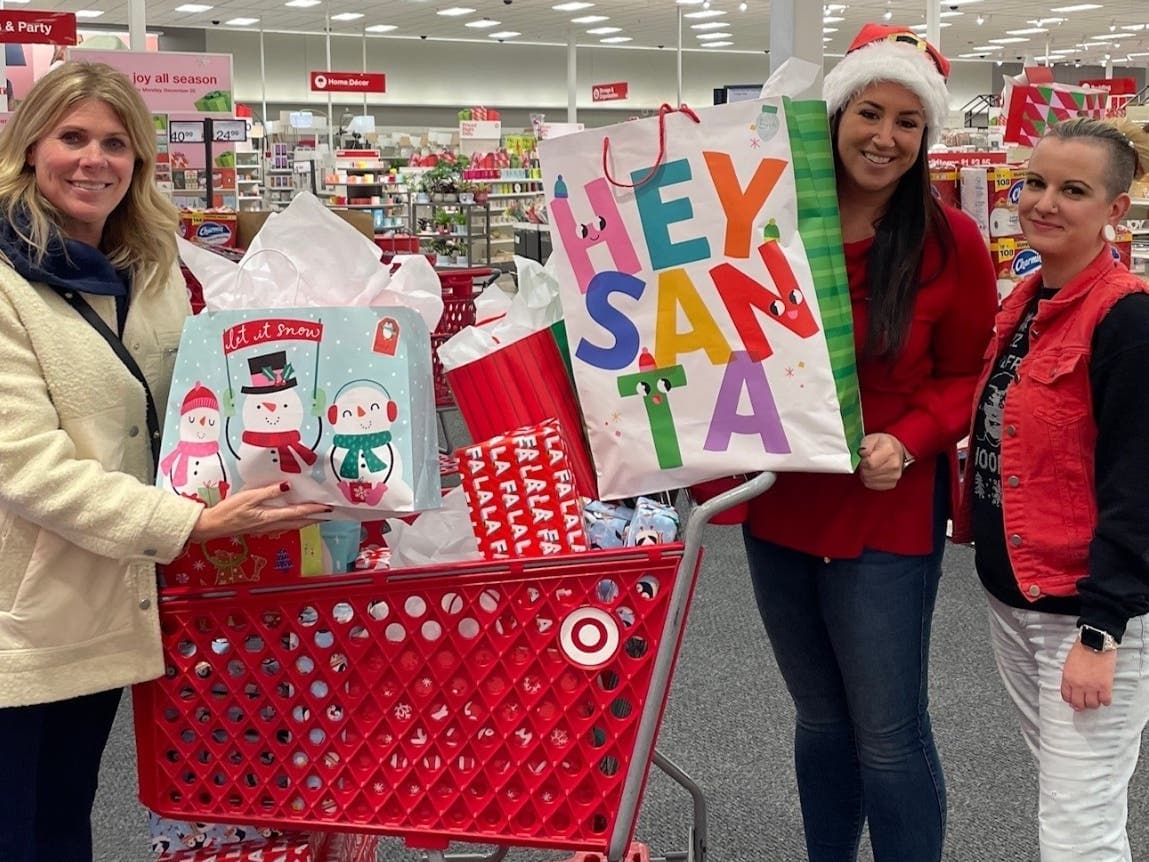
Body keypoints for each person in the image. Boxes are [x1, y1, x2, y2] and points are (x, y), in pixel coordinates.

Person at [0, 62, 330, 862]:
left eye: (116, 144)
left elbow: (191, 408)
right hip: (19, 612)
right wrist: (187, 522)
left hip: (109, 594)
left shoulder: (150, 273)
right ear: (29, 147)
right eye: (72, 137)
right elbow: (23, 462)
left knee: (60, 817)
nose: (94, 160)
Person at [742, 24, 998, 862]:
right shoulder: (768, 223)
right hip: (778, 503)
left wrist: (911, 437)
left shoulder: (948, 240)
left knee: (887, 736)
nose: (884, 138)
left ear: (924, 136)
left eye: (907, 121)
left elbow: (967, 375)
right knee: (818, 720)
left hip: (886, 513)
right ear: (835, 112)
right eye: (868, 112)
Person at [953, 117, 1149, 861]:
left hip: (1085, 614)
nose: (1044, 203)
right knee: (1075, 797)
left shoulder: (1125, 319)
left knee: (1077, 831)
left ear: (1113, 210)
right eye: (1034, 183)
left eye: (1073, 190)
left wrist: (1101, 632)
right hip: (1017, 599)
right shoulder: (1027, 301)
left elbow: (1136, 487)